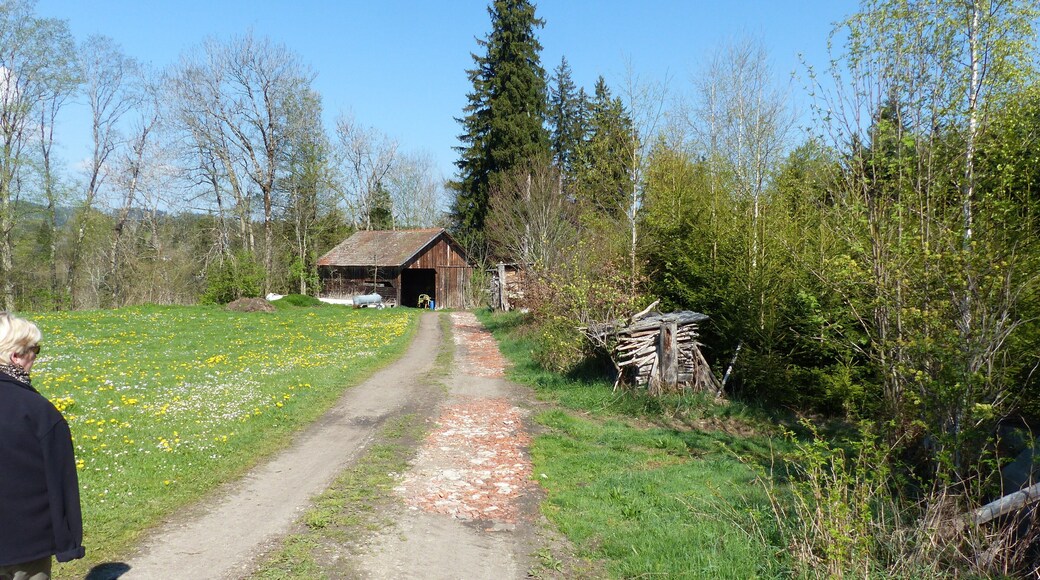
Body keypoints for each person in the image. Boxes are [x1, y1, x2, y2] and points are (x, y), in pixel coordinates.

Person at [0, 312, 84, 580]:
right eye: (35, 349)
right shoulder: (39, 411)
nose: (36, 357)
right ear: (16, 356)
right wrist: (68, 543)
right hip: (25, 545)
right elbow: (60, 481)